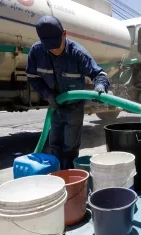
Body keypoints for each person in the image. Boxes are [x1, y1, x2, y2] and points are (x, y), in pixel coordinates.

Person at [26, 16, 110, 170]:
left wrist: (100, 87)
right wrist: (47, 94)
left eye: (56, 45)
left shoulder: (78, 54)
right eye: (49, 47)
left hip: (74, 107)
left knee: (69, 147)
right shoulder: (37, 52)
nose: (54, 50)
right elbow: (33, 78)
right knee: (54, 144)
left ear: (64, 34)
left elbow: (100, 75)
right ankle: (57, 176)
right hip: (55, 106)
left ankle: (69, 176)